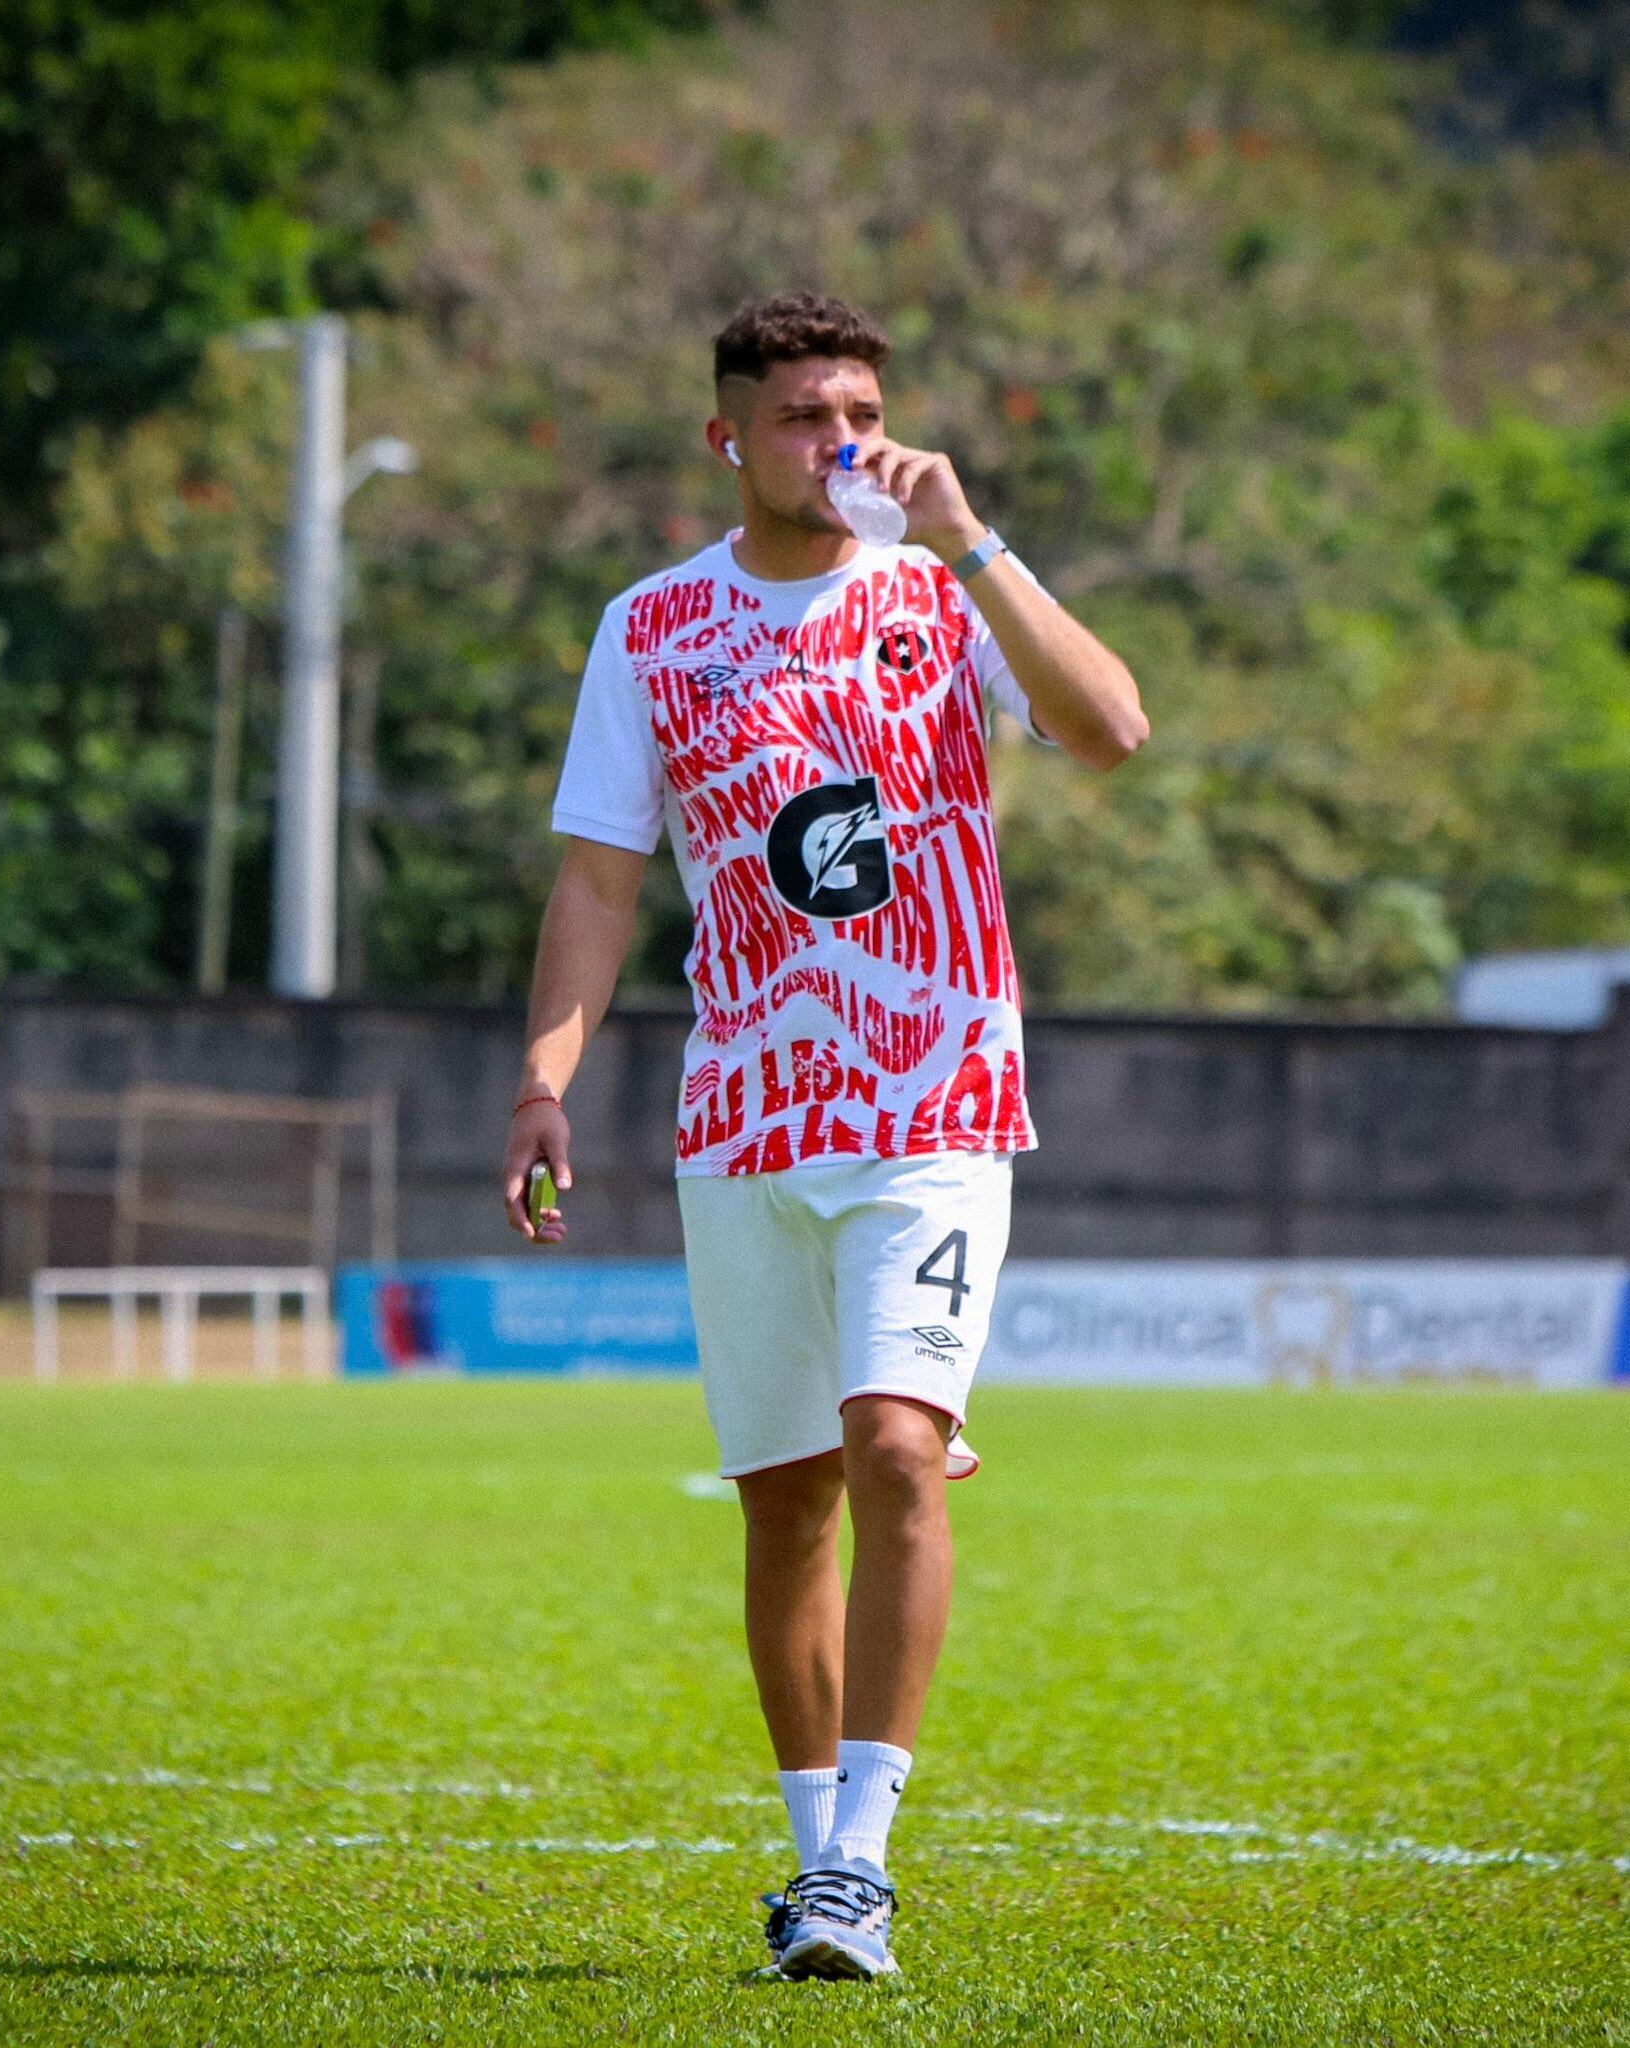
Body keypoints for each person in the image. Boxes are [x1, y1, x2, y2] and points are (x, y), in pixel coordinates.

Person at [501, 290, 1147, 1980]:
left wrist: (977, 538)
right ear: (728, 437)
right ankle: (811, 1868)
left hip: (934, 1104)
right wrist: (544, 1077)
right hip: (740, 1119)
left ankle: (863, 1861)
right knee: (782, 1503)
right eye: (798, 416)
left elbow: (1109, 729)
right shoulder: (649, 629)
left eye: (856, 408)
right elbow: (597, 878)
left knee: (893, 1447)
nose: (836, 441)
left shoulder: (943, 590)